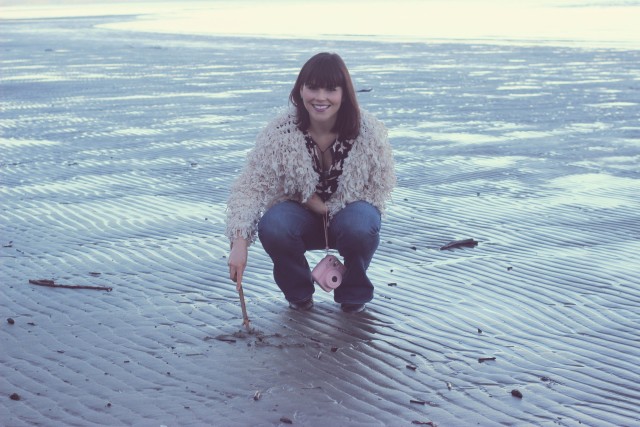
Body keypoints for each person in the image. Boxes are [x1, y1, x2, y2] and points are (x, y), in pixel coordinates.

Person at [226, 52, 395, 313]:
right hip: (298, 217)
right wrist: (239, 243)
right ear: (300, 89)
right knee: (274, 224)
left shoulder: (368, 132)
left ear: (344, 93)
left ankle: (353, 294)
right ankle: (299, 294)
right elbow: (250, 186)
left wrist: (331, 209)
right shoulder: (281, 131)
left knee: (361, 222)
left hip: (348, 218)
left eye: (331, 89)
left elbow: (378, 192)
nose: (320, 97)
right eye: (312, 87)